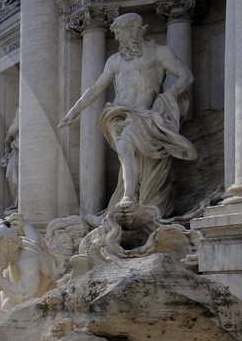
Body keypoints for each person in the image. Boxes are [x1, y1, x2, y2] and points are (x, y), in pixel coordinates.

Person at [56, 11, 197, 214]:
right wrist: (75, 109)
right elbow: (95, 88)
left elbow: (186, 76)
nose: (118, 38)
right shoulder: (114, 60)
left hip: (146, 115)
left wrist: (166, 99)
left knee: (144, 164)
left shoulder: (159, 52)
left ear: (133, 30)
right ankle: (128, 196)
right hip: (118, 113)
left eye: (120, 33)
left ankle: (136, 199)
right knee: (125, 146)